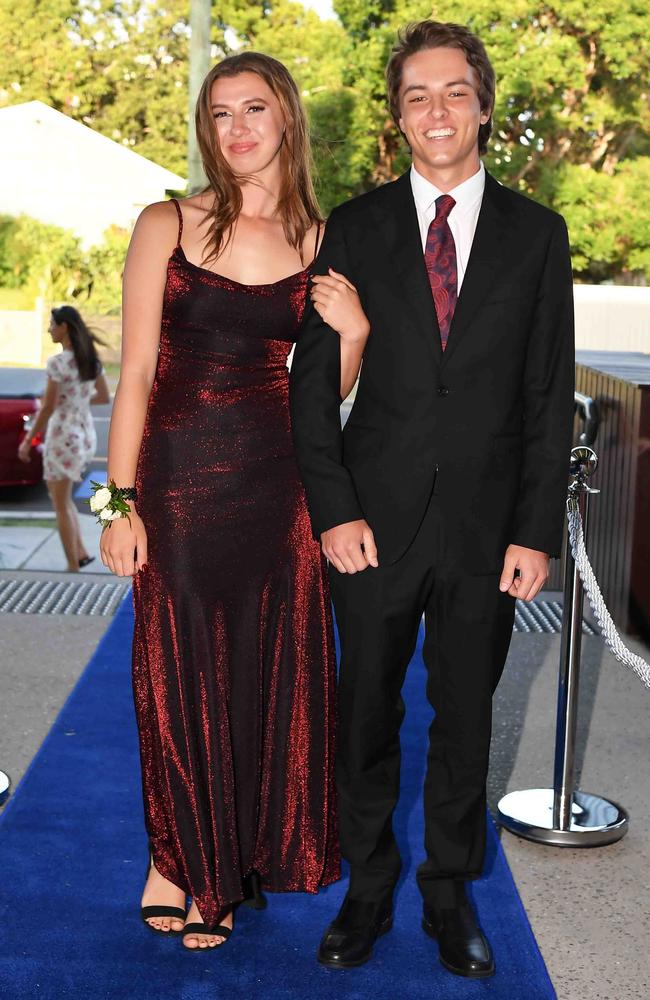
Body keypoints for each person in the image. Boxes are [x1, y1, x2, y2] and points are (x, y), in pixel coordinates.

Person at [290, 20, 574, 979]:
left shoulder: (539, 235)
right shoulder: (355, 226)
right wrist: (333, 510)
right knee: (365, 712)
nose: (437, 111)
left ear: (485, 104)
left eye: (454, 91)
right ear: (398, 119)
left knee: (464, 717)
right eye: (417, 96)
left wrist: (535, 531)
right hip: (371, 523)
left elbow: (546, 392)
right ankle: (366, 890)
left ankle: (448, 894)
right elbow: (312, 383)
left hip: (487, 533)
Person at [100, 52, 368, 950]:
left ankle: (223, 865)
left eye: (255, 109)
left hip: (275, 485)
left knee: (260, 676)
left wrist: (356, 332)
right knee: (175, 675)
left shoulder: (324, 239)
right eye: (220, 113)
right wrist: (118, 504)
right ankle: (176, 859)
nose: (238, 128)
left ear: (287, 118)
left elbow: (323, 393)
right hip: (174, 484)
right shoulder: (166, 221)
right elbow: (134, 374)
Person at [18, 305, 110, 571]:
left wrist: (27, 441)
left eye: (52, 324)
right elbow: (103, 397)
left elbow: (47, 407)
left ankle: (72, 566)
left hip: (62, 436)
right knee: (65, 497)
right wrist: (77, 400)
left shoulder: (57, 363)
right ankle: (79, 552)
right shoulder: (91, 359)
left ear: (64, 327)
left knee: (58, 502)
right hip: (84, 434)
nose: (49, 329)